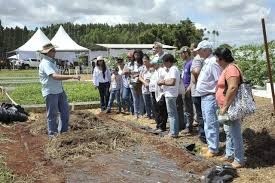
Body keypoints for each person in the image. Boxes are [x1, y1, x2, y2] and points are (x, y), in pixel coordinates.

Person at [39, 43, 80, 137]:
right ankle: (53, 136)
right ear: (48, 52)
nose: (55, 52)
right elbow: (55, 76)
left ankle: (64, 132)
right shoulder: (45, 63)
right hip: (50, 92)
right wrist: (72, 76)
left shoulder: (52, 62)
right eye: (53, 51)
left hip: (59, 90)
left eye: (54, 50)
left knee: (65, 111)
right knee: (52, 115)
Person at [215, 47, 245, 168]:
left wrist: (225, 106)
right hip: (226, 106)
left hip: (230, 107)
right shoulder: (227, 68)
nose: (217, 61)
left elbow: (233, 87)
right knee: (229, 132)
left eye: (218, 59)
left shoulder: (231, 69)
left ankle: (239, 159)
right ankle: (230, 154)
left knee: (235, 133)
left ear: (222, 58)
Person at [195, 40, 222, 157]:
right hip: (205, 96)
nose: (198, 53)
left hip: (210, 96)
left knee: (211, 123)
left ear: (205, 50)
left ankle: (213, 149)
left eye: (199, 50)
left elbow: (219, 81)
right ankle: (211, 146)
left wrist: (216, 97)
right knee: (207, 122)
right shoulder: (207, 62)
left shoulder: (212, 63)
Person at [158, 54, 180, 138]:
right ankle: (173, 131)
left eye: (164, 62)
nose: (163, 64)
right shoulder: (171, 69)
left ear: (168, 61)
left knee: (172, 114)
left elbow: (172, 82)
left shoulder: (173, 69)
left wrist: (162, 82)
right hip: (170, 94)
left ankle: (173, 132)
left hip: (171, 94)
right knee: (172, 113)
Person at [190, 45, 207, 143]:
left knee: (200, 115)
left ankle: (203, 136)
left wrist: (198, 82)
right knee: (202, 114)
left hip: (197, 91)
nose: (192, 51)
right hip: (200, 90)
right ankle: (204, 135)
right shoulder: (203, 59)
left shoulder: (197, 59)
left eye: (193, 49)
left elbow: (196, 71)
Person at [178, 46, 194, 133]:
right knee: (185, 108)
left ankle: (189, 126)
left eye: (181, 53)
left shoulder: (191, 62)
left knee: (188, 108)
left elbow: (192, 78)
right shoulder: (185, 63)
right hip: (183, 88)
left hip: (188, 88)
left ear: (186, 53)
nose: (180, 55)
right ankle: (187, 125)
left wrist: (189, 88)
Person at [151, 57, 168, 132]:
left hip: (161, 93)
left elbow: (164, 81)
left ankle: (162, 127)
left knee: (161, 110)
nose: (153, 65)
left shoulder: (162, 71)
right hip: (155, 93)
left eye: (154, 63)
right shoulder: (156, 71)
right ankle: (158, 125)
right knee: (156, 110)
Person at [139, 54, 153, 119]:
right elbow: (140, 77)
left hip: (152, 87)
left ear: (149, 60)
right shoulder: (143, 68)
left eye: (145, 61)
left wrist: (149, 82)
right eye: (143, 61)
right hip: (145, 87)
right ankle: (148, 114)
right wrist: (144, 82)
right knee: (146, 102)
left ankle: (153, 114)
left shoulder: (152, 67)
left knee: (152, 102)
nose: (144, 62)